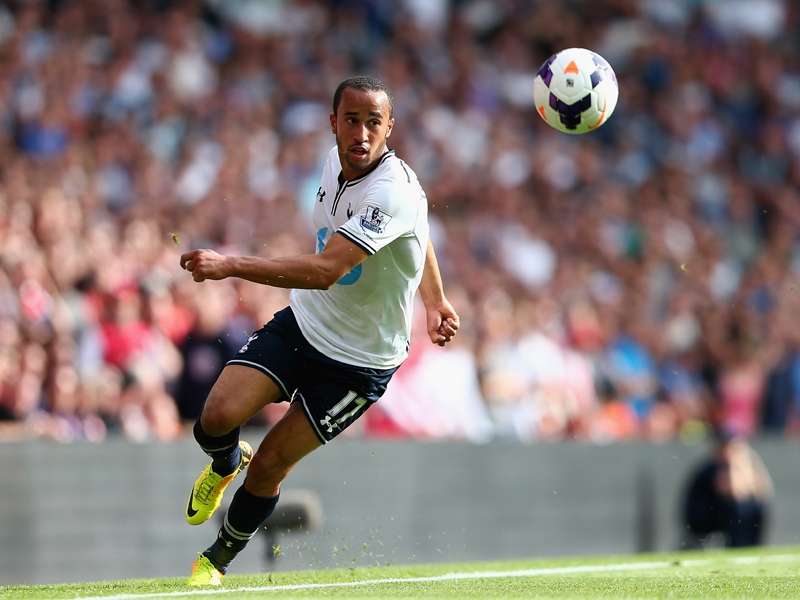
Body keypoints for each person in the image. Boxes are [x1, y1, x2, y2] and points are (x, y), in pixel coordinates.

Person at [180, 76, 460, 586]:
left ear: (389, 128)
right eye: (351, 120)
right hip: (306, 325)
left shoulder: (392, 191)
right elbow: (421, 232)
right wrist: (436, 299)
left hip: (359, 364)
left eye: (374, 122)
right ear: (333, 123)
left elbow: (328, 269)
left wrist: (231, 265)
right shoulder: (332, 163)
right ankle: (223, 463)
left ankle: (214, 561)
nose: (362, 132)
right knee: (216, 417)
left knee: (269, 466)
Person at [681, 430, 773, 549]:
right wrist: (736, 464)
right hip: (702, 518)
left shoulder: (741, 464)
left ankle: (752, 545)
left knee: (756, 506)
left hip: (721, 513)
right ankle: (737, 545)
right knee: (738, 508)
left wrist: (750, 462)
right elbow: (735, 494)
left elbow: (764, 491)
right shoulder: (712, 468)